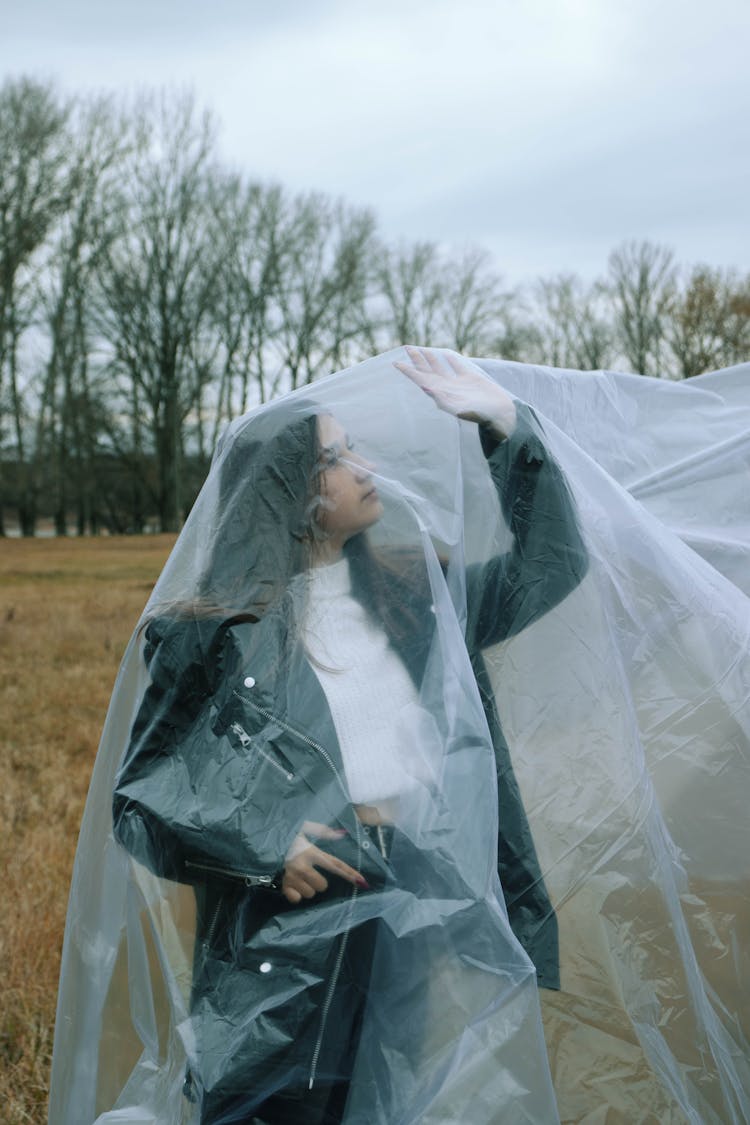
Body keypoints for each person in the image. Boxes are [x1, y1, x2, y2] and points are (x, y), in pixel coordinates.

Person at [109, 348, 588, 1123]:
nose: (363, 466)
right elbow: (141, 797)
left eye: (352, 448)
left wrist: (506, 428)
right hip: (290, 921)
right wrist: (263, 840)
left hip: (413, 899)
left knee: (391, 1100)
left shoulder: (414, 598)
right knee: (278, 1107)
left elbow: (552, 566)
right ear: (290, 494)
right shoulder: (217, 634)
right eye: (334, 458)